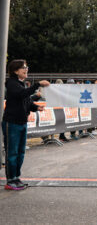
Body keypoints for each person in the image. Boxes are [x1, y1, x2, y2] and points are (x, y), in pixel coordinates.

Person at [2, 60, 50, 190]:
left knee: (20, 152)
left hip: (22, 122)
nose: (26, 70)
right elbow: (21, 95)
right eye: (23, 68)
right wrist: (37, 85)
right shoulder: (11, 83)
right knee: (12, 152)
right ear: (15, 70)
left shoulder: (20, 84)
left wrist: (35, 107)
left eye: (26, 67)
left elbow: (26, 101)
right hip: (12, 123)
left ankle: (16, 178)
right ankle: (10, 180)